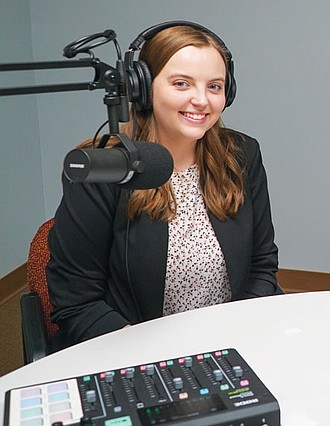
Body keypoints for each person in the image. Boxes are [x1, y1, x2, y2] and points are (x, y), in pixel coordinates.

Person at [47, 22, 283, 350]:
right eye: (181, 83)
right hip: (134, 351)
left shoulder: (242, 154)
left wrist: (236, 337)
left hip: (230, 343)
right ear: (144, 89)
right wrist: (158, 358)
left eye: (214, 86)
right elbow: (77, 301)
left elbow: (261, 263)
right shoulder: (102, 168)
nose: (201, 100)